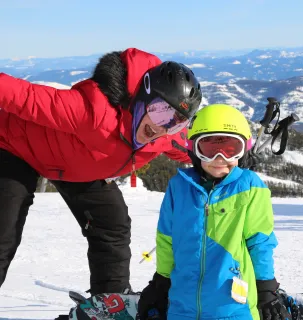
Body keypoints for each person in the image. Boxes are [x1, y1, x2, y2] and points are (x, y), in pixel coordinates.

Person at [0, 48, 202, 294]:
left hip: (75, 164)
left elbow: (198, 149)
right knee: (4, 234)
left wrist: (234, 155)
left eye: (176, 121)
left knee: (112, 222)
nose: (163, 126)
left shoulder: (161, 137)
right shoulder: (91, 111)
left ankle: (110, 301)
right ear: (143, 97)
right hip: (14, 148)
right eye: (160, 111)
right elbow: (20, 96)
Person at [137, 104, 303, 320]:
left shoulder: (250, 186)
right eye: (208, 149)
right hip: (182, 307)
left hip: (234, 308)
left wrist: (266, 287)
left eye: (230, 149)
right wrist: (161, 282)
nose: (219, 158)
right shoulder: (179, 186)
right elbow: (167, 239)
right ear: (193, 149)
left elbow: (260, 241)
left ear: (243, 150)